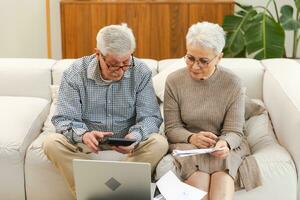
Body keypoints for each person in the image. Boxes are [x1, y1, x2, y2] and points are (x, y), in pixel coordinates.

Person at [43, 24, 168, 199]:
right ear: (97, 54)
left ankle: (104, 194)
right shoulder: (75, 73)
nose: (120, 70)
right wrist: (84, 134)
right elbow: (63, 119)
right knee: (51, 143)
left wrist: (134, 136)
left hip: (127, 142)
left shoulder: (140, 71)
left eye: (126, 63)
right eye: (113, 65)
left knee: (159, 143)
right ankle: (106, 193)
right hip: (86, 142)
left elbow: (151, 117)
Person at [163, 22, 261, 200]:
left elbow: (234, 130)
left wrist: (225, 143)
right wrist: (192, 137)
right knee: (198, 188)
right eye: (190, 58)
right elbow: (172, 128)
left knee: (221, 184)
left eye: (203, 61)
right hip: (189, 145)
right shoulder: (173, 81)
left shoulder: (233, 83)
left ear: (219, 58)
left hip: (223, 145)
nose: (194, 66)